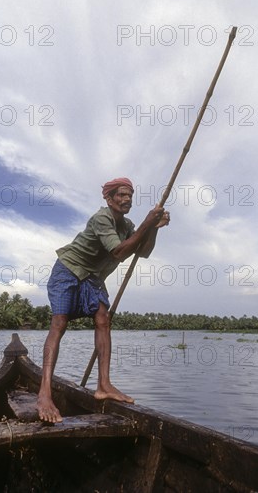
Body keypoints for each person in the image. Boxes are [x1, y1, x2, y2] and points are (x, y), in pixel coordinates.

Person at [37, 177, 170, 422]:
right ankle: (44, 393)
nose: (126, 198)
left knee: (103, 320)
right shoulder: (102, 218)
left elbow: (143, 252)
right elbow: (119, 252)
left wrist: (153, 229)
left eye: (130, 195)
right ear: (109, 199)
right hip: (69, 270)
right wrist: (146, 223)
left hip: (93, 278)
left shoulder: (129, 225)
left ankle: (104, 386)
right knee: (59, 324)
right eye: (121, 195)